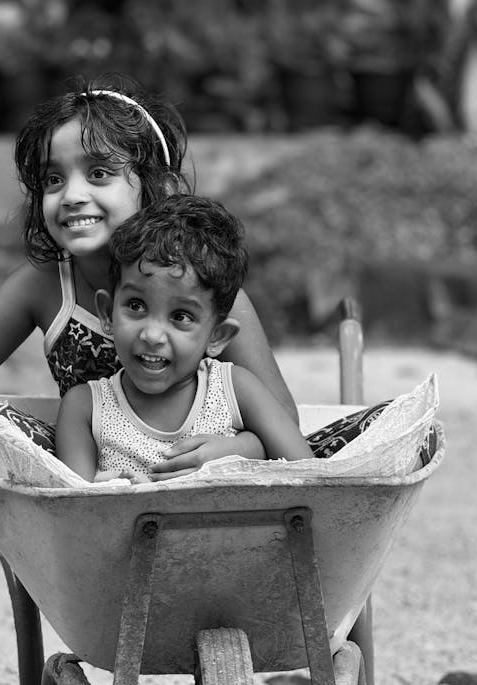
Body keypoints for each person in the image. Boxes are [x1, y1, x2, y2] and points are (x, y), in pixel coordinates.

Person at [0, 74, 298, 486]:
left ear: (159, 187)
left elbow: (284, 422)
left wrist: (240, 449)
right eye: (53, 179)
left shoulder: (205, 290)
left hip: (204, 477)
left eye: (99, 173)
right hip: (87, 476)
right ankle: (56, 516)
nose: (71, 195)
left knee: (339, 443)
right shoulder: (44, 284)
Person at [55, 194, 314, 483]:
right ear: (107, 313)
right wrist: (110, 490)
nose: (152, 335)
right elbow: (73, 500)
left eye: (181, 316)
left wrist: (240, 457)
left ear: (217, 336)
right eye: (136, 305)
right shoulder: (86, 409)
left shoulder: (235, 390)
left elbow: (312, 476)